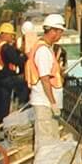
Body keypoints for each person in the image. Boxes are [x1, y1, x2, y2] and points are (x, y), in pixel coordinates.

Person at [25, 14, 66, 150]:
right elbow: (45, 79)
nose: (60, 36)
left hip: (45, 102)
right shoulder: (43, 51)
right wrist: (53, 102)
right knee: (45, 142)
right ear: (54, 31)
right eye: (60, 32)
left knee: (51, 140)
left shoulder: (44, 48)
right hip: (45, 103)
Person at [0, 22, 27, 122]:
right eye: (11, 35)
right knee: (24, 87)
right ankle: (23, 108)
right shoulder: (6, 47)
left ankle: (2, 121)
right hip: (6, 77)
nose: (12, 37)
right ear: (5, 34)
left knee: (3, 102)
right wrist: (26, 56)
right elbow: (16, 60)